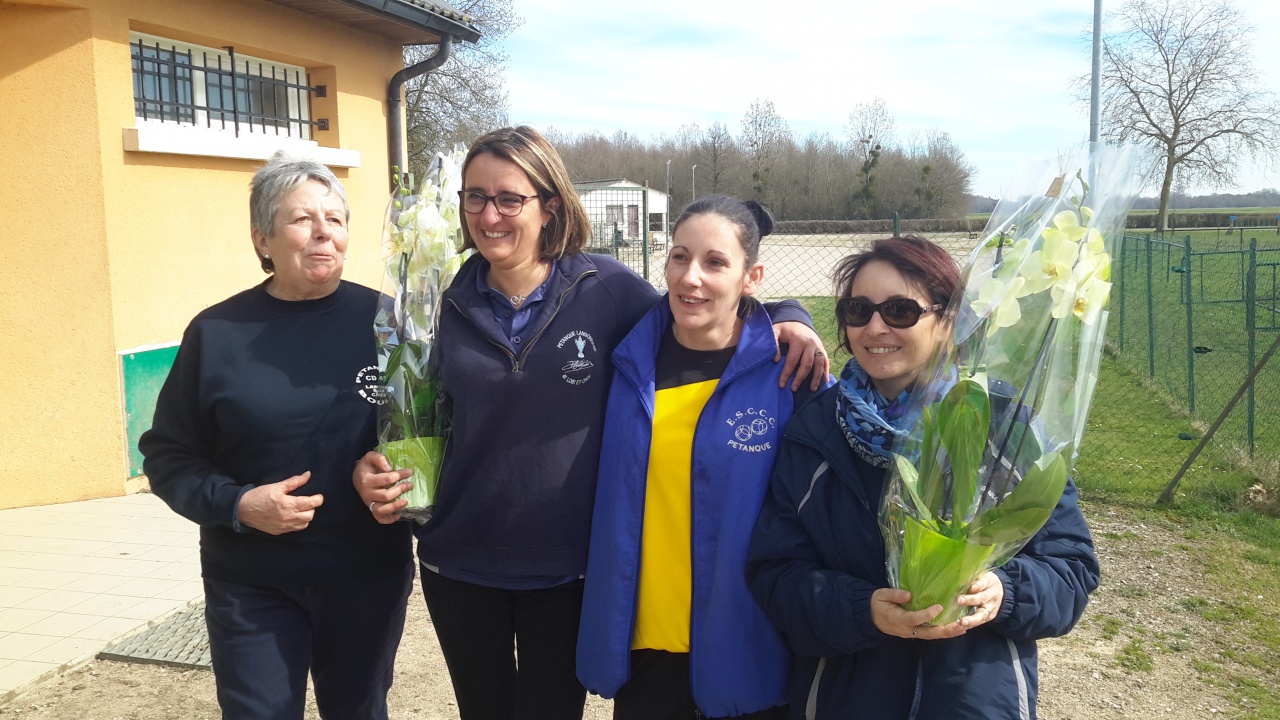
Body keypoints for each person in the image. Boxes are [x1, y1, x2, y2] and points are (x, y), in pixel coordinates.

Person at [353, 126, 829, 720]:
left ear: (550, 204)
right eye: (475, 197)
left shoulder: (606, 290)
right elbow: (413, 415)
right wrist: (375, 468)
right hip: (461, 562)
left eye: (509, 198)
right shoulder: (437, 303)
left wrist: (790, 316)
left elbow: (699, 305)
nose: (489, 214)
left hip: (570, 568)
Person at [746, 236, 1100, 719]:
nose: (875, 327)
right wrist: (862, 609)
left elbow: (1071, 568)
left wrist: (1006, 591)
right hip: (847, 698)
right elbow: (776, 575)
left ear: (949, 322)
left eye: (899, 310)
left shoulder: (1005, 430)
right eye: (857, 310)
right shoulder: (814, 434)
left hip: (972, 700)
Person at [139, 152, 413, 719]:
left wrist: (391, 467)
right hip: (252, 582)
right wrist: (238, 503)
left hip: (363, 575)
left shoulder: (389, 324)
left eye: (335, 219)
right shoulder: (217, 333)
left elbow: (428, 429)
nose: (323, 234)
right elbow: (167, 456)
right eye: (302, 219)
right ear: (262, 238)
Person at [577, 195, 833, 720]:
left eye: (715, 262)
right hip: (646, 649)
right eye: (678, 256)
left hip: (750, 654)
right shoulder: (625, 360)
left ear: (752, 276)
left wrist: (794, 319)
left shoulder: (791, 375)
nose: (690, 277)